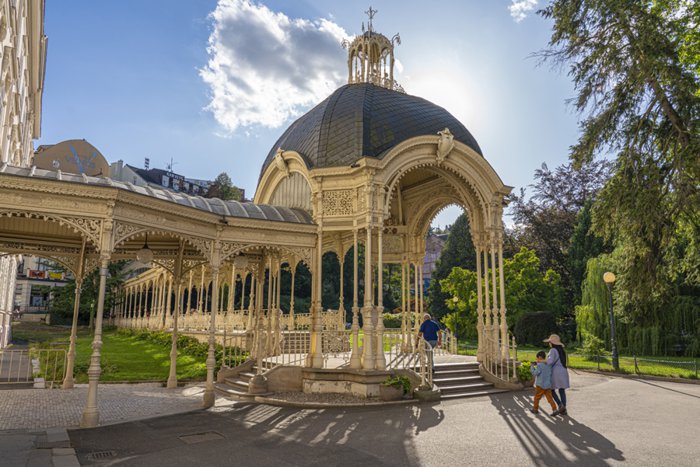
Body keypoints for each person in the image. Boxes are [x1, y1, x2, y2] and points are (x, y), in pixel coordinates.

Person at [544, 334, 570, 416]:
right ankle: (564, 409)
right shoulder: (562, 350)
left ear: (552, 343)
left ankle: (560, 405)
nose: (549, 343)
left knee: (551, 390)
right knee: (561, 390)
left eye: (549, 342)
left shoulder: (553, 350)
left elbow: (550, 361)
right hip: (563, 371)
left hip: (556, 372)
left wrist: (543, 361)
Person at [529, 350, 558, 415]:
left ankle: (535, 409)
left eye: (537, 358)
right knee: (550, 398)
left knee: (537, 397)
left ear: (539, 357)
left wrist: (532, 367)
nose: (537, 359)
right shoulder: (549, 364)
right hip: (548, 385)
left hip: (540, 385)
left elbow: (535, 373)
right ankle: (554, 409)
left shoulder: (539, 365)